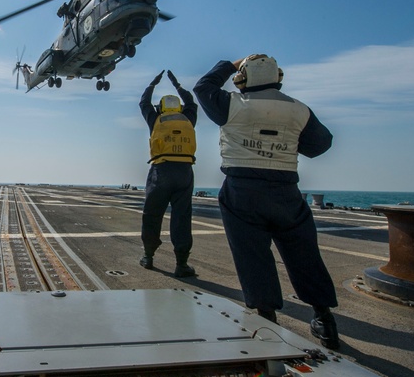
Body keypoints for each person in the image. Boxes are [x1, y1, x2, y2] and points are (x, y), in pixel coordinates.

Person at [193, 55, 340, 349]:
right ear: (278, 78)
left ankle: (267, 319)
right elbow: (320, 144)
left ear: (243, 79)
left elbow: (202, 87)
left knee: (253, 255)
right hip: (286, 189)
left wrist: (228, 64)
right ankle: (324, 320)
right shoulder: (299, 110)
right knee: (304, 254)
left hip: (242, 188)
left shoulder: (232, 104)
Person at [139, 70, 199, 277]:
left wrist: (152, 85)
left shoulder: (155, 119)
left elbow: (143, 103)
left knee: (152, 215)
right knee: (182, 218)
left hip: (160, 172)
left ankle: (148, 256)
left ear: (160, 108)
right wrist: (178, 85)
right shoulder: (188, 118)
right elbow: (192, 103)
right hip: (184, 172)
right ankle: (181, 264)